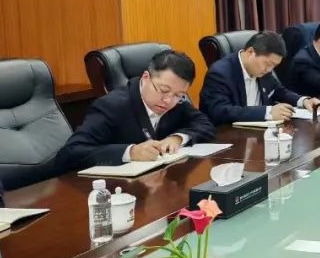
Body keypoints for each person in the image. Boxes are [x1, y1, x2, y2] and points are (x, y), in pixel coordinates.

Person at [56, 50, 216, 170]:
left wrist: (177, 138)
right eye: (163, 90)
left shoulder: (176, 102)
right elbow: (72, 152)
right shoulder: (111, 106)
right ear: (146, 77)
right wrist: (130, 152)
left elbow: (205, 124)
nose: (168, 100)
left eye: (178, 95)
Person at [199, 31, 320, 125]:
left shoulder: (263, 70)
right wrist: (267, 112)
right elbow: (220, 111)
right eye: (268, 64)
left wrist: (303, 101)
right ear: (250, 52)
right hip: (230, 138)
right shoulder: (220, 73)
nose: (269, 70)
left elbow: (277, 90)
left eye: (274, 66)